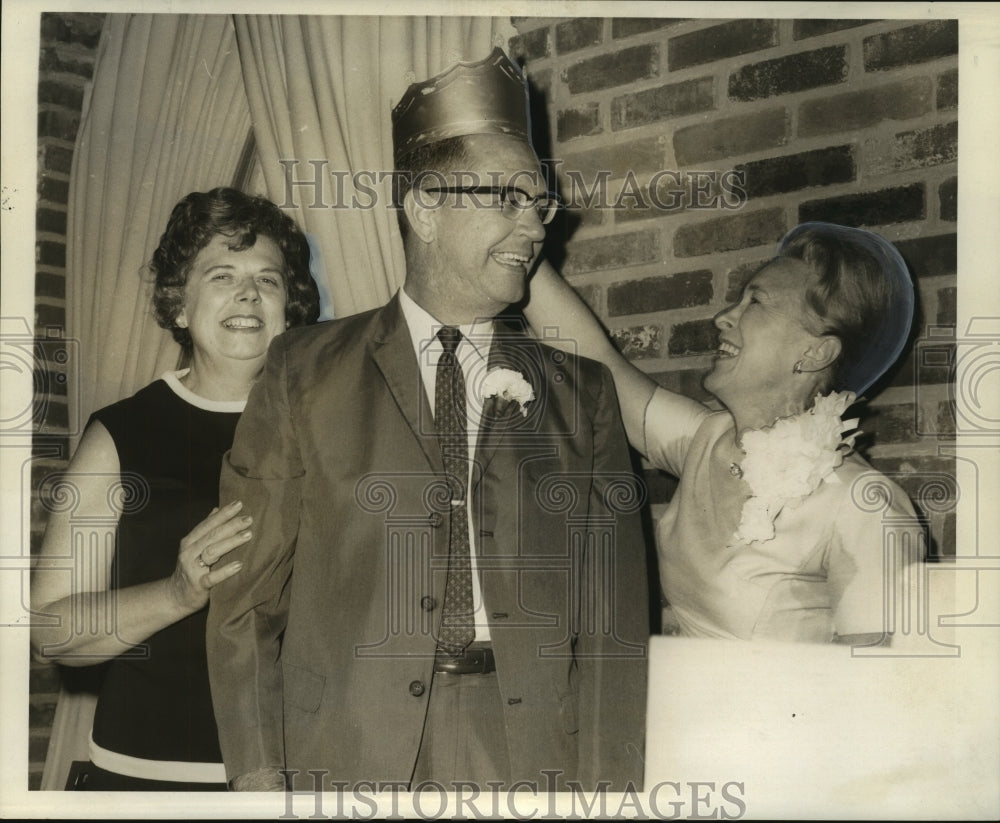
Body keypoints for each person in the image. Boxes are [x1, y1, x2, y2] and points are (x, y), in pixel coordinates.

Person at [207, 48, 649, 793]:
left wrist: (606, 792)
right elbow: (245, 599)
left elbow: (613, 633)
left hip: (529, 757)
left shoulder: (584, 397)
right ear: (424, 210)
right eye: (506, 198)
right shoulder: (301, 373)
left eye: (538, 203)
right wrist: (257, 772)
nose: (534, 227)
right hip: (343, 752)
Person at [30, 187, 321, 790]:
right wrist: (177, 593)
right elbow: (51, 632)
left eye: (268, 280)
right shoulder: (122, 433)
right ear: (179, 306)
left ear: (288, 308)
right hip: (146, 775)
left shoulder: (330, 425)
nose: (248, 293)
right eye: (222, 275)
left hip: (301, 773)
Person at [524, 222, 922, 644]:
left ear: (815, 352)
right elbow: (596, 360)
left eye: (756, 302)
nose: (723, 318)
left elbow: (878, 687)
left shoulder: (862, 504)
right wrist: (520, 248)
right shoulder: (706, 438)